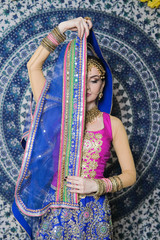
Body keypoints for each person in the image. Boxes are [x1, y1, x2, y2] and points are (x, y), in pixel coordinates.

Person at [13, 17, 136, 240]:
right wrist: (61, 29)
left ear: (102, 86)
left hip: (94, 213)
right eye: (81, 78)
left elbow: (130, 175)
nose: (87, 86)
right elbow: (33, 66)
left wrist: (97, 185)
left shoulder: (113, 124)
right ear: (70, 79)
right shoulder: (55, 112)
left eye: (95, 80)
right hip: (54, 212)